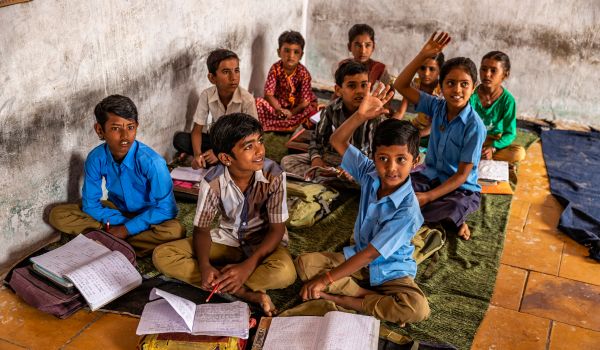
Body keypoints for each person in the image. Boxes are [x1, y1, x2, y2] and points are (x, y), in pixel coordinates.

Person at [295, 85, 430, 325]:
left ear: (415, 161)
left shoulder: (408, 210)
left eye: (401, 160)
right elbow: (337, 140)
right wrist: (360, 115)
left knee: (417, 309)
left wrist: (325, 280)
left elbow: (371, 254)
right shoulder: (369, 172)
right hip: (355, 257)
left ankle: (344, 299)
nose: (391, 168)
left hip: (391, 270)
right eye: (383, 159)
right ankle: (369, 298)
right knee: (304, 265)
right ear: (374, 156)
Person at [153, 113, 296, 316]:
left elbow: (277, 229)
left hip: (263, 244)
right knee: (163, 255)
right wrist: (203, 266)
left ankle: (227, 279)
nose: (260, 151)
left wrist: (247, 266)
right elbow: (202, 229)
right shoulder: (212, 182)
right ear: (226, 158)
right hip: (228, 239)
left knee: (285, 273)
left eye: (260, 141)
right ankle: (242, 290)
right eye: (249, 146)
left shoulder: (274, 175)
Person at [49, 95, 184, 257]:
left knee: (174, 232)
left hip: (150, 215)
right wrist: (122, 224)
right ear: (100, 130)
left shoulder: (152, 162)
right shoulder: (96, 158)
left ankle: (105, 238)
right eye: (115, 128)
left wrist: (126, 229)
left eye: (130, 127)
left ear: (137, 127)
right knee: (58, 215)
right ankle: (125, 242)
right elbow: (90, 204)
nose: (125, 136)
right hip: (117, 211)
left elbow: (167, 209)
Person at [394, 32, 486, 240]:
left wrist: (427, 197)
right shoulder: (436, 106)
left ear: (473, 89)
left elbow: (462, 175)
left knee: (454, 206)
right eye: (451, 83)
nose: (457, 90)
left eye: (464, 84)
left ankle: (454, 218)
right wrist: (422, 55)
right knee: (393, 187)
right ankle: (443, 218)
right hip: (430, 176)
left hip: (460, 188)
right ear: (441, 86)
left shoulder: (475, 126)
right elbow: (400, 86)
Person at [281, 60, 384, 182]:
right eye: (352, 86)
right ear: (338, 90)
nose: (360, 91)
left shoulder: (374, 115)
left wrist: (351, 168)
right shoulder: (331, 109)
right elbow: (317, 139)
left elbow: (376, 154)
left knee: (371, 177)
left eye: (364, 85)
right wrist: (316, 159)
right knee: (287, 161)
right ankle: (330, 178)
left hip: (359, 163)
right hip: (331, 159)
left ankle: (326, 179)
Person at [172, 49, 258, 169]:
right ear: (212, 78)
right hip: (217, 140)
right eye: (226, 72)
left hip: (240, 142)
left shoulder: (247, 100)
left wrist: (218, 152)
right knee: (180, 139)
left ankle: (219, 159)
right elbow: (197, 130)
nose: (233, 77)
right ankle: (209, 159)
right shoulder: (207, 95)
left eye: (236, 71)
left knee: (247, 152)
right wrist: (197, 155)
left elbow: (252, 136)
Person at [255, 31, 318, 132]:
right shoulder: (275, 69)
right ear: (279, 52)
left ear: (301, 55)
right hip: (279, 107)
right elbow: (269, 94)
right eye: (287, 51)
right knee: (258, 103)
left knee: (310, 109)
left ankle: (284, 124)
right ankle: (287, 124)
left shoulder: (304, 73)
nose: (291, 56)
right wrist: (279, 109)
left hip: (297, 109)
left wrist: (292, 113)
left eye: (296, 52)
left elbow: (305, 102)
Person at [471, 51, 525, 163]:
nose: (487, 74)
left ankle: (481, 155)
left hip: (493, 140)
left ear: (505, 75)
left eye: (493, 71)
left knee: (519, 153)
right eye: (483, 69)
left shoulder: (508, 100)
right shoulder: (471, 94)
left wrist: (493, 148)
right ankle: (478, 155)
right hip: (471, 138)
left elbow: (510, 133)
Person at [395, 53, 445, 138]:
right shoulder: (414, 84)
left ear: (440, 70)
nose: (426, 73)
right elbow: (401, 111)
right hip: (417, 126)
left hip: (436, 131)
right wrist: (391, 126)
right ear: (417, 69)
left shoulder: (443, 90)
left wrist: (415, 136)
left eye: (432, 69)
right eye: (422, 68)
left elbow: (437, 124)